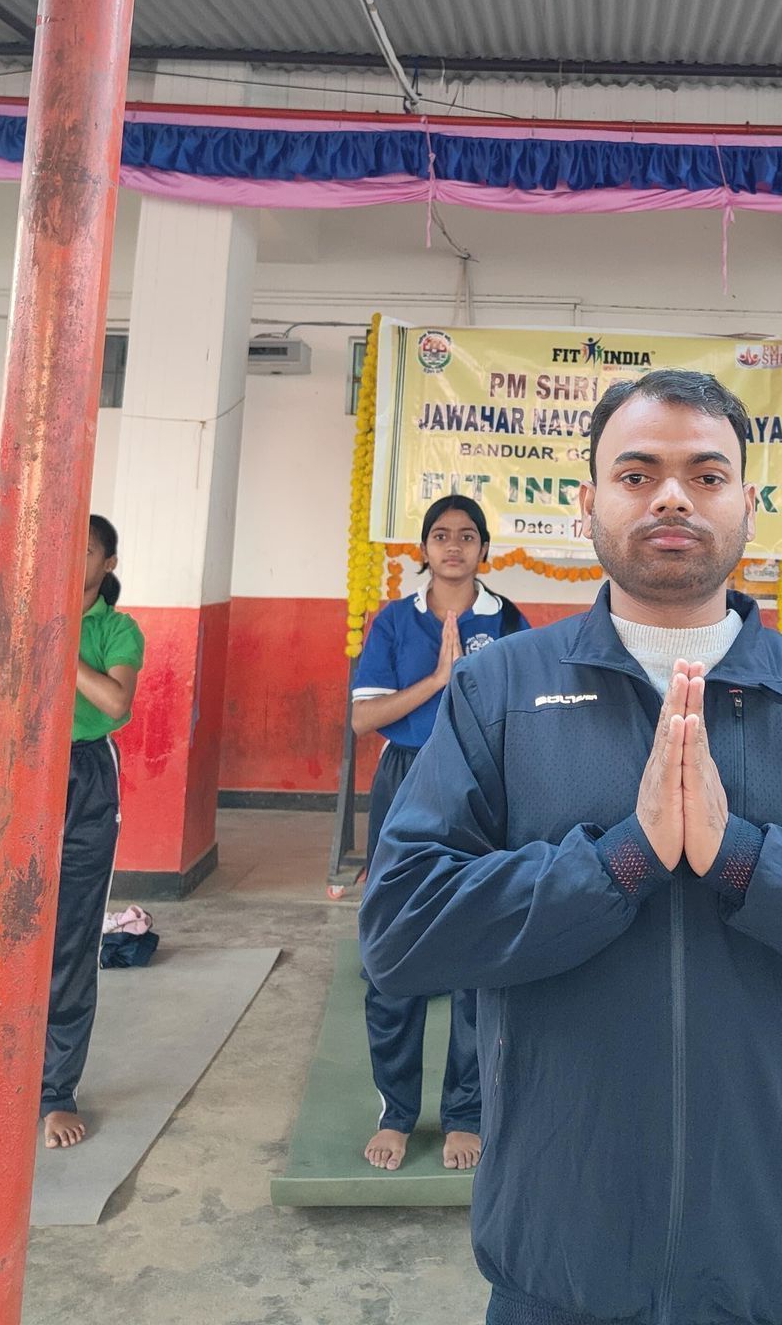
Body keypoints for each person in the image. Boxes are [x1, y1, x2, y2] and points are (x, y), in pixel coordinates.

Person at [361, 371, 782, 1325]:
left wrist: (745, 859)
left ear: (750, 505)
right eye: (637, 473)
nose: (672, 495)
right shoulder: (499, 690)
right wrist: (619, 862)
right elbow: (401, 931)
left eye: (707, 475)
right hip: (560, 1255)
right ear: (588, 506)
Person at [350, 495, 530, 1174]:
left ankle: (463, 1112)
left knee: (473, 948)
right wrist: (438, 680)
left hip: (482, 788)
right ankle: (396, 1111)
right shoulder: (396, 621)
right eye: (440, 535)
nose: (453, 546)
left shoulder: (508, 620)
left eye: (466, 536)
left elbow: (522, 715)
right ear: (423, 548)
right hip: (405, 780)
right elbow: (366, 721)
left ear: (484, 549)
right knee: (392, 947)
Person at [0, 514, 144, 1150]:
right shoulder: (16, 618)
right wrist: (19, 638)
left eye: (85, 550)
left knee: (71, 936)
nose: (72, 559)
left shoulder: (117, 630)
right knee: (3, 927)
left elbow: (115, 705)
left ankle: (55, 1092)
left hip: (87, 775)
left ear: (107, 565)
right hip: (19, 772)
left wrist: (57, 642)